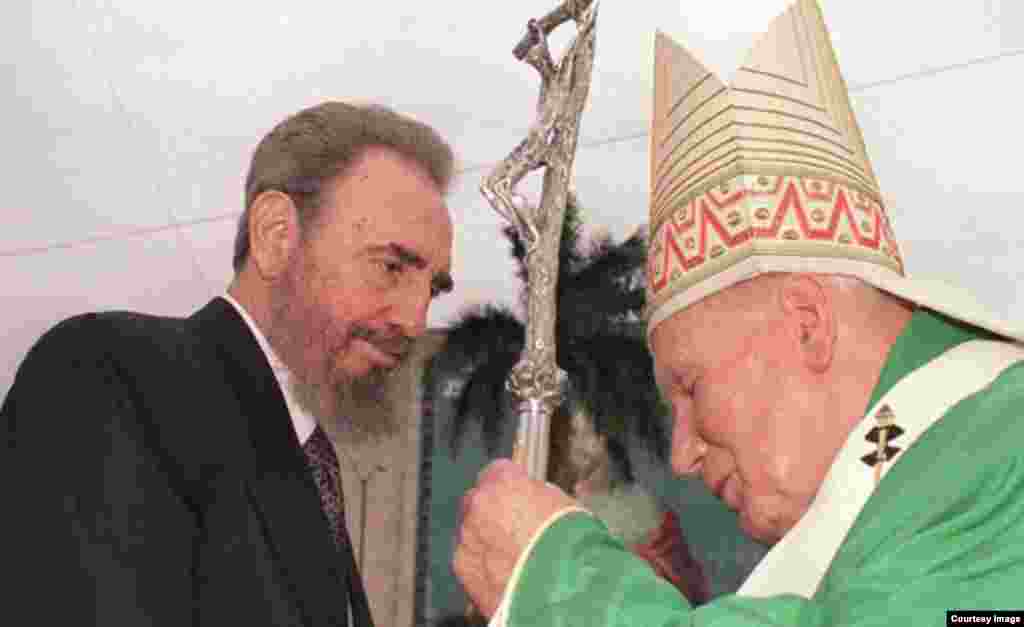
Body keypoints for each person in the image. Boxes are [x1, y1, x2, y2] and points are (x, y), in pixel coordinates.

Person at [452, 1, 1024, 624]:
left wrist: (555, 583)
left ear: (808, 323)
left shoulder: (1004, 448)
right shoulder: (937, 490)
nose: (680, 456)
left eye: (690, 388)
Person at [2, 101, 456, 627]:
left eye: (433, 289)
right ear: (276, 235)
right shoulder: (110, 378)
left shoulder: (312, 464)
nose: (415, 320)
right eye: (391, 266)